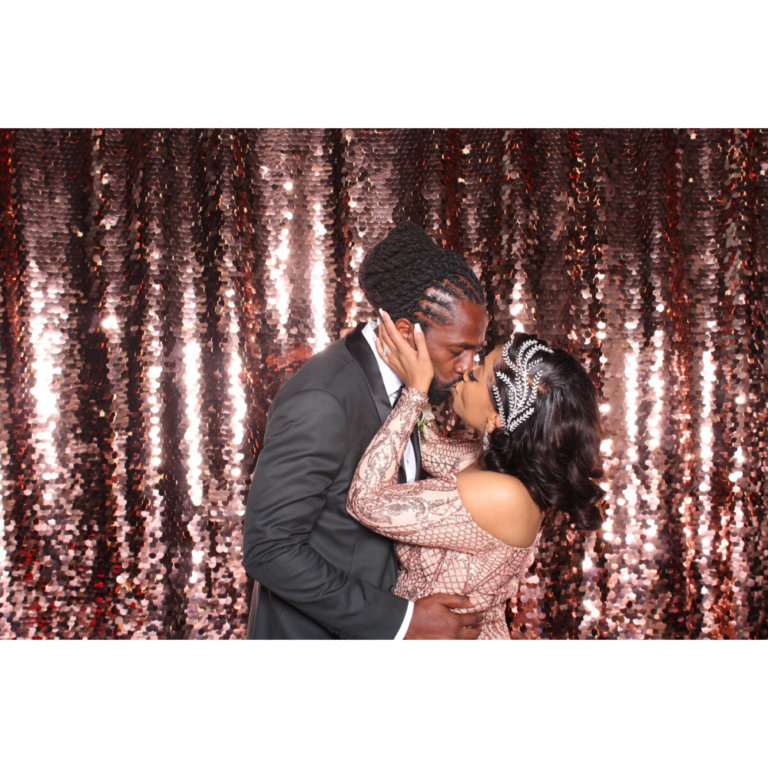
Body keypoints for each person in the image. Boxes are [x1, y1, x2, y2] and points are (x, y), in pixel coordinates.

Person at [243, 222, 490, 640]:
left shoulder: (412, 386)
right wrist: (403, 620)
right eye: (457, 350)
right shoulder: (323, 399)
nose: (468, 366)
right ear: (408, 331)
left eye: (476, 350)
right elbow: (270, 550)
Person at [346, 309, 605, 640]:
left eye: (477, 374)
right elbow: (423, 446)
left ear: (498, 419)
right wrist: (404, 365)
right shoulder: (494, 465)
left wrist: (415, 391)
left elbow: (364, 501)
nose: (466, 370)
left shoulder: (504, 494)